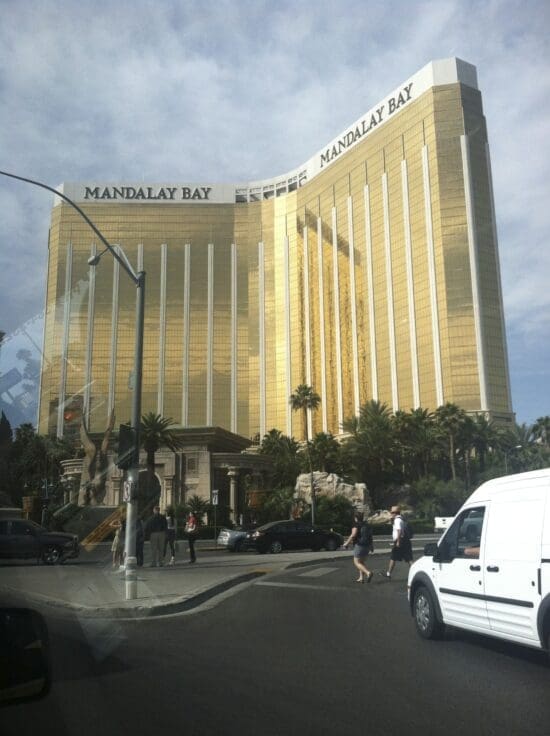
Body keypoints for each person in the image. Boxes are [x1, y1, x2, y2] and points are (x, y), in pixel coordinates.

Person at [343, 511, 374, 583]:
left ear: (355, 518)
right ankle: (361, 578)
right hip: (367, 545)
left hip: (360, 545)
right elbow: (370, 536)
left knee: (356, 562)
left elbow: (353, 535)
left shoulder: (356, 524)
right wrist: (371, 546)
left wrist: (346, 543)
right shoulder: (366, 525)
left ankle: (368, 573)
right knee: (361, 562)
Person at [384, 505, 413, 579]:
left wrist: (398, 542)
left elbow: (399, 531)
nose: (391, 513)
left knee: (393, 557)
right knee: (408, 558)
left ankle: (388, 573)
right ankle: (415, 572)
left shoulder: (397, 520)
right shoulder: (400, 519)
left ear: (395, 513)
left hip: (400, 540)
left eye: (392, 512)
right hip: (405, 540)